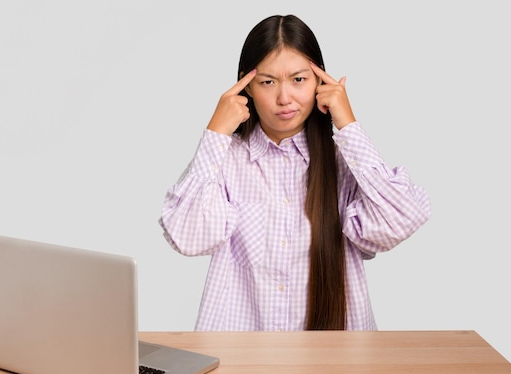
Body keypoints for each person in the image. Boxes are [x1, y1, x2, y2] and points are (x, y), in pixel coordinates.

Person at [158, 14, 430, 331]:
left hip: (336, 363)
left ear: (319, 81)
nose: (284, 98)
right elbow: (188, 238)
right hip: (242, 362)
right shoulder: (226, 159)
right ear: (246, 85)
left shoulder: (345, 159)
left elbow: (400, 220)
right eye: (268, 82)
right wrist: (215, 133)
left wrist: (348, 124)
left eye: (298, 79)